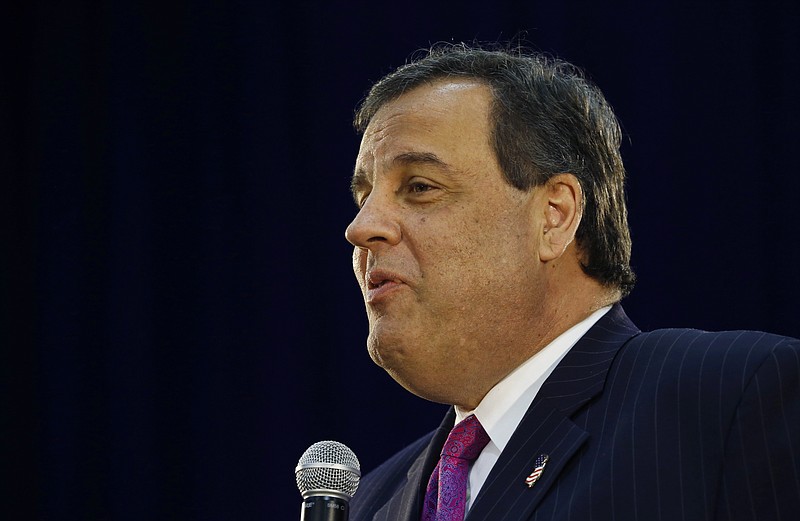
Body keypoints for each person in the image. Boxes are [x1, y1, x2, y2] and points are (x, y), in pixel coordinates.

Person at [343, 43, 800, 521]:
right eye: (364, 197)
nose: (361, 227)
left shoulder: (736, 397)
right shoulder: (371, 501)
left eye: (419, 187)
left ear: (554, 216)